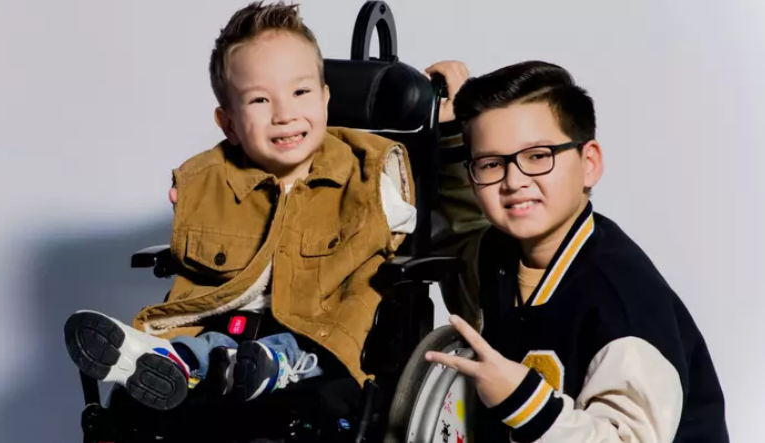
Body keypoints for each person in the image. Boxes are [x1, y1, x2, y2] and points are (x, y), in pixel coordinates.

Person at [63, 0, 419, 420]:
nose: (284, 114)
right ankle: (163, 359)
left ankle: (267, 366)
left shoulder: (368, 177)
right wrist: (193, 210)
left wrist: (446, 125)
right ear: (229, 123)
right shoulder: (211, 181)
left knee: (304, 355)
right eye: (260, 100)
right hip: (233, 326)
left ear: (326, 99)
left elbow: (425, 229)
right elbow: (202, 267)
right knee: (210, 347)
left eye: (301, 92)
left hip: (320, 333)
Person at [425, 60, 729, 443]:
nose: (514, 181)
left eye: (538, 156)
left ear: (589, 164)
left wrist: (525, 403)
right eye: (491, 164)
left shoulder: (623, 305)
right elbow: (458, 232)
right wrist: (452, 130)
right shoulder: (496, 256)